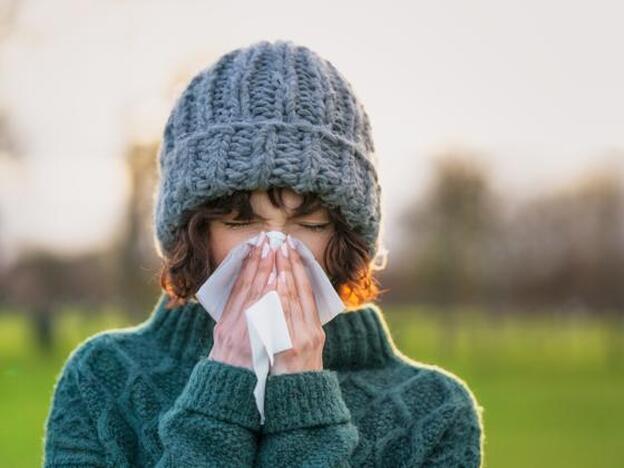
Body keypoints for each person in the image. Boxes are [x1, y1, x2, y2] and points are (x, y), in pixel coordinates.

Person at [43, 39, 484, 467]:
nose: (275, 250)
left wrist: (303, 401)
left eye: (309, 224)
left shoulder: (436, 412)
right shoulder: (102, 379)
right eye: (240, 222)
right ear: (193, 231)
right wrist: (221, 394)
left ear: (347, 236)